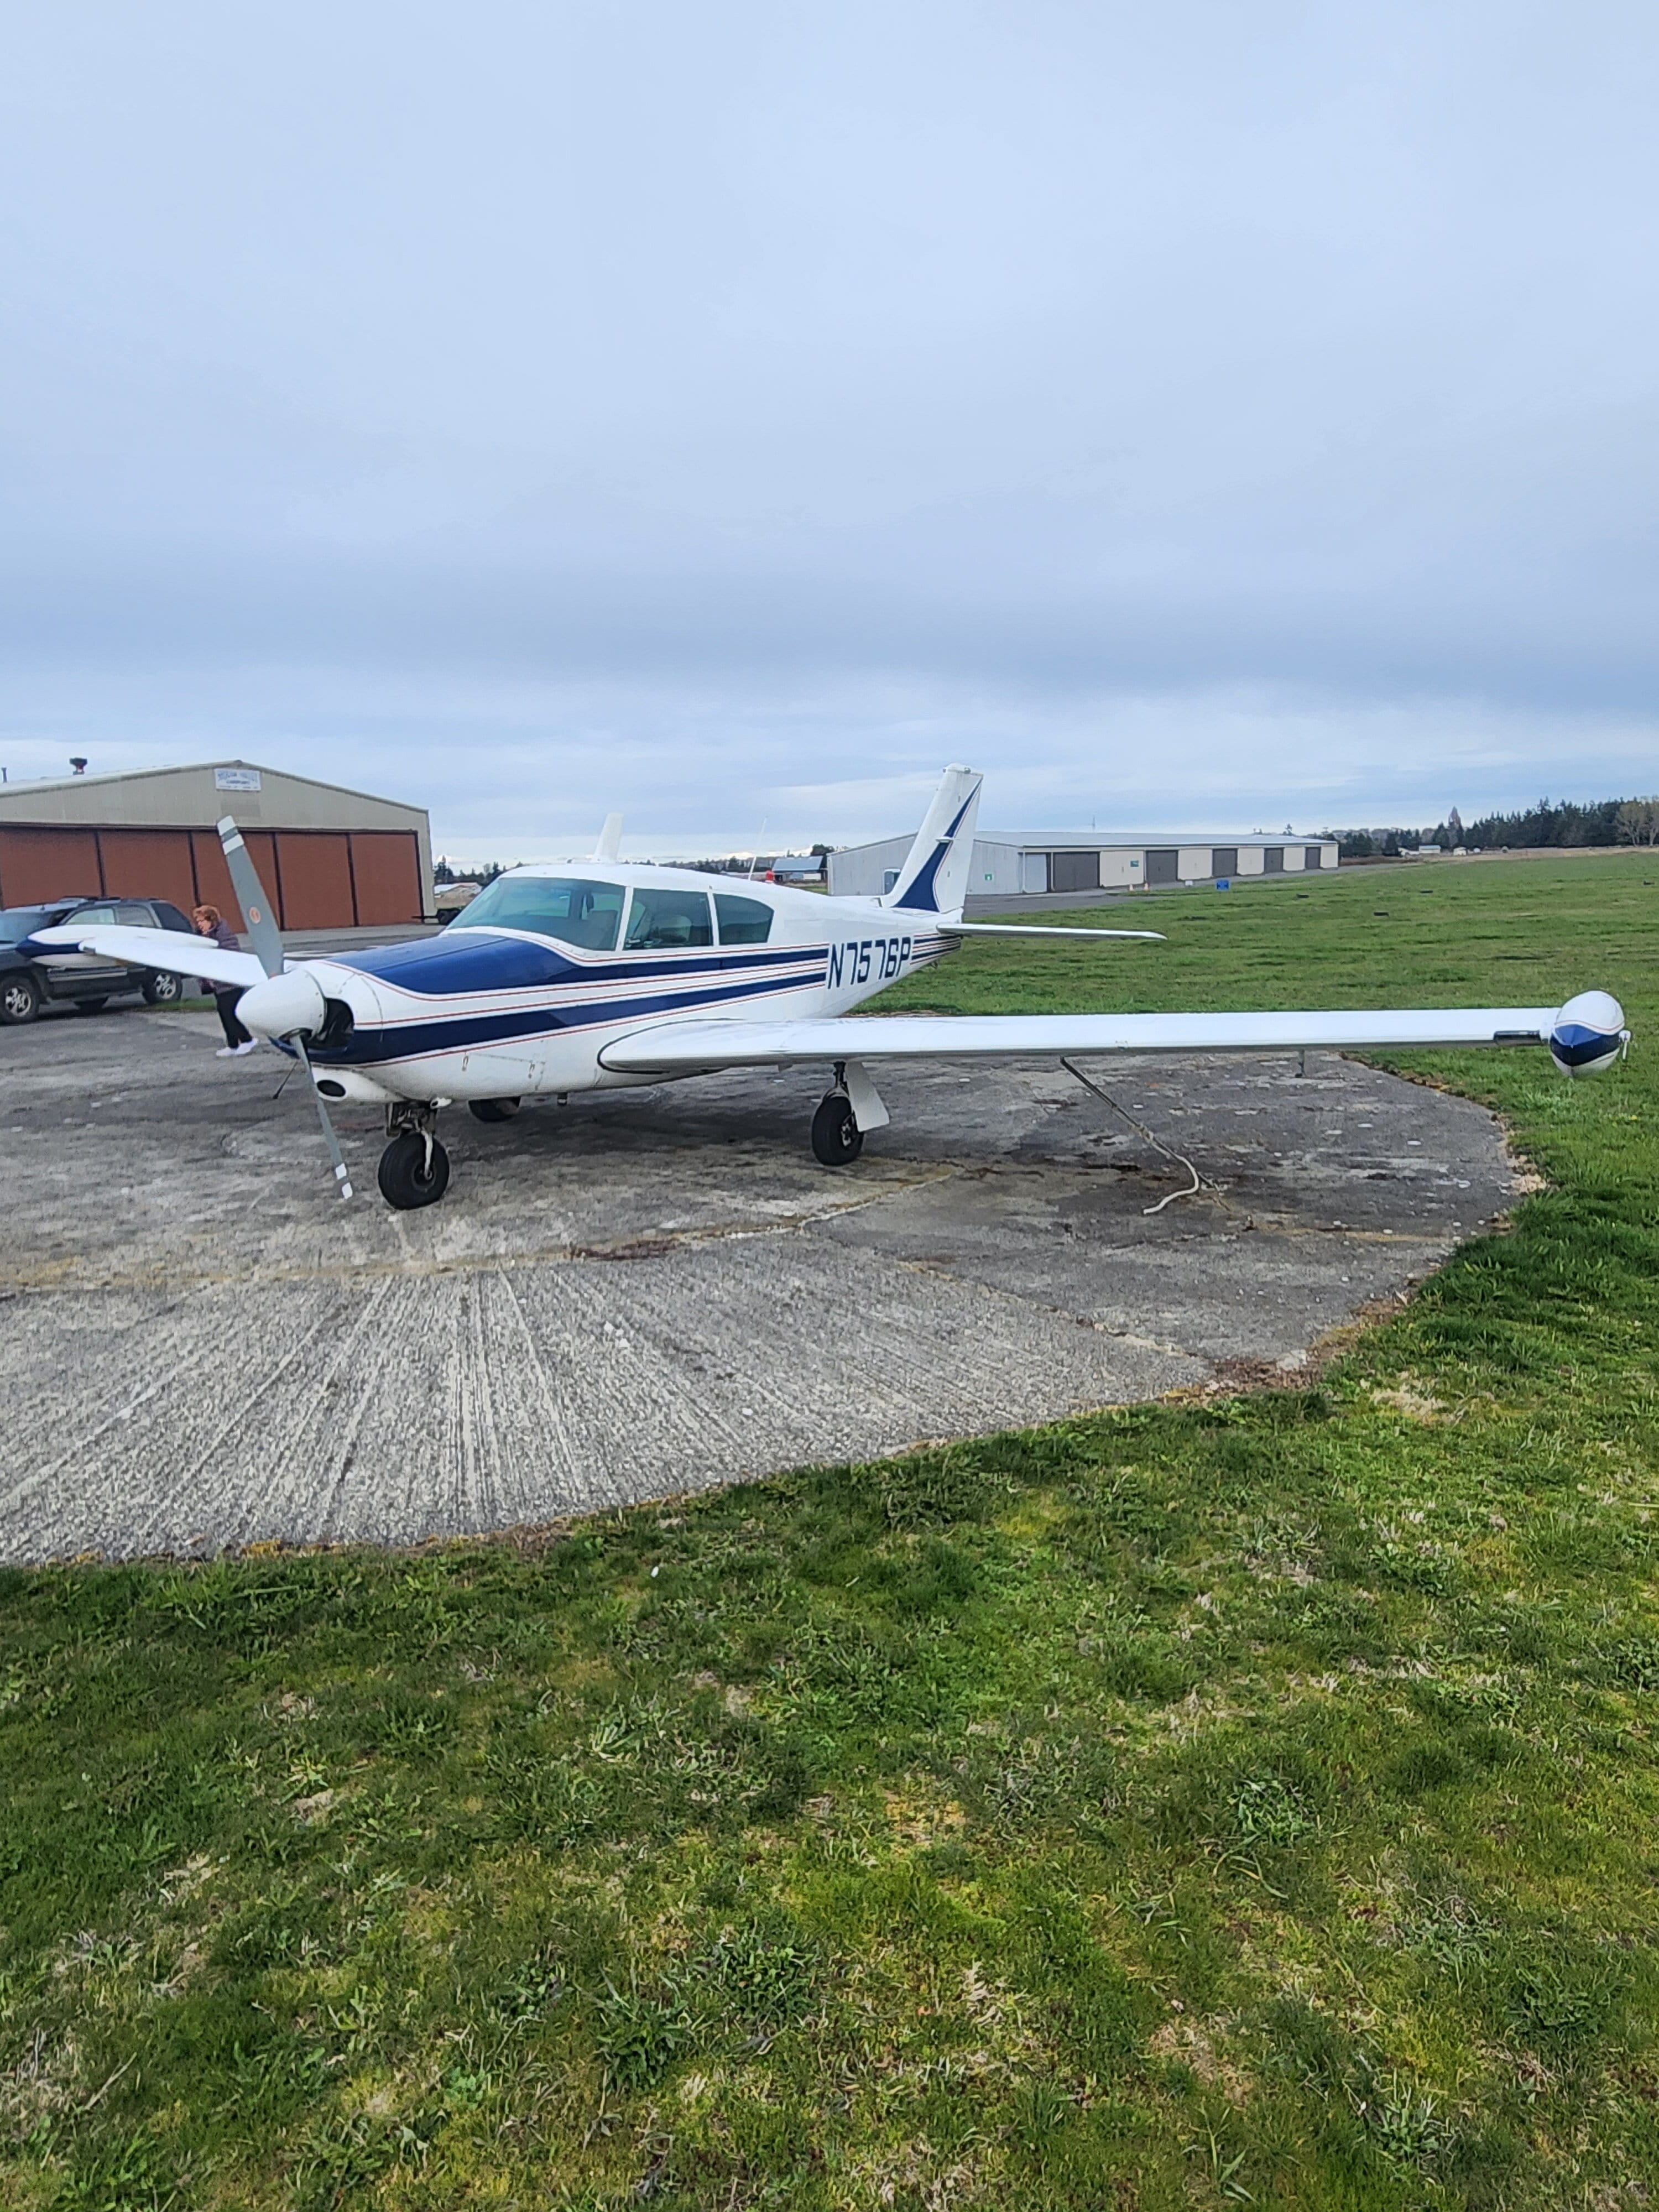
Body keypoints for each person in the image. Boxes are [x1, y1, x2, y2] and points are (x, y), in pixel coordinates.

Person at [193, 904, 258, 1056]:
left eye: (202, 921)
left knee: (231, 1013)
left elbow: (228, 955)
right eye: (198, 921)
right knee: (224, 1013)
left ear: (211, 920)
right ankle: (233, 1044)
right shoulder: (203, 938)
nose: (200, 924)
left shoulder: (223, 936)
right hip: (217, 984)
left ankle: (247, 1040)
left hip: (230, 983)